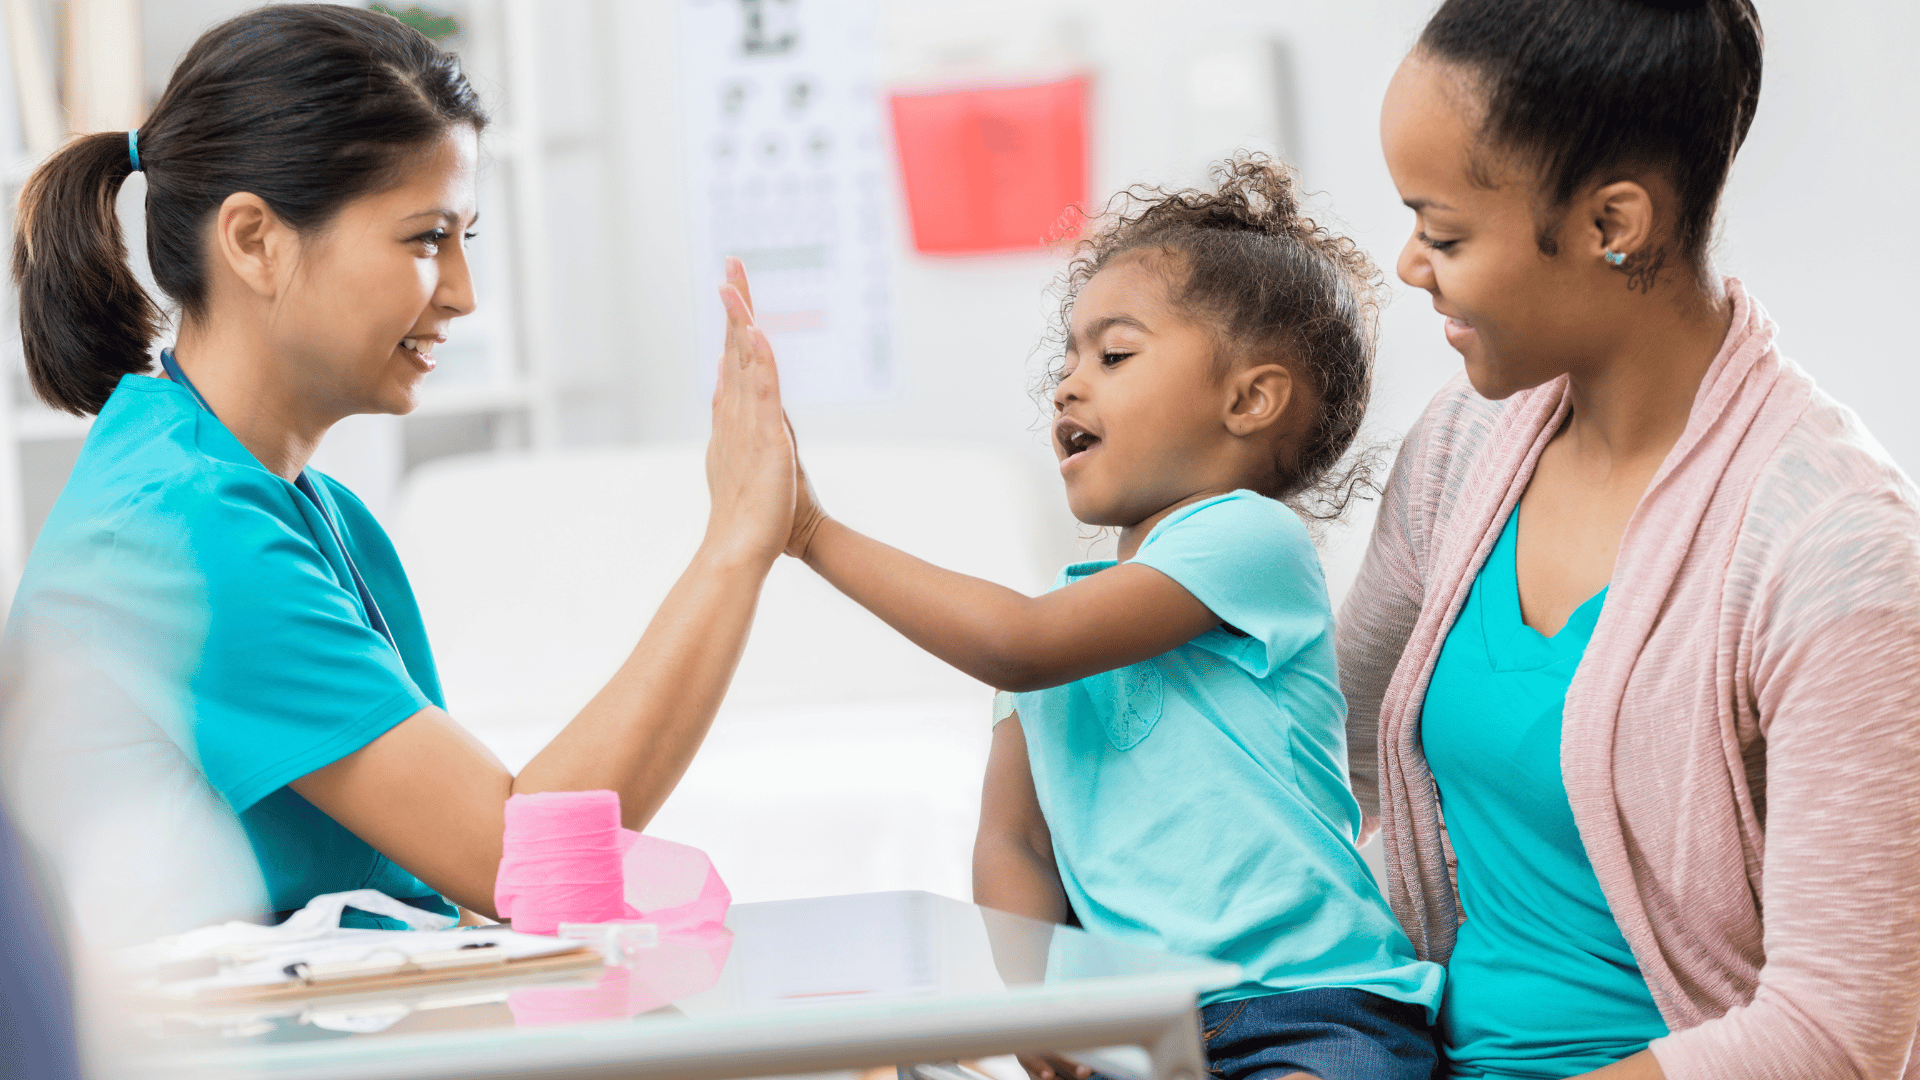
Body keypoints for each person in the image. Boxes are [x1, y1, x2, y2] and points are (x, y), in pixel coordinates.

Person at [2, 5, 796, 937]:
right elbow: (521, 863)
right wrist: (736, 547)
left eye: (468, 240)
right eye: (426, 239)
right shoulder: (178, 529)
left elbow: (458, 874)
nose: (461, 292)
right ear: (254, 241)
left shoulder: (303, 510)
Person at [1344, 0, 1920, 1077]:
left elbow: (1843, 1031)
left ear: (1613, 225)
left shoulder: (1836, 551)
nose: (1410, 265)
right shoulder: (1458, 456)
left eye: (1445, 231)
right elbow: (1332, 755)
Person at [778, 157, 1444, 1080]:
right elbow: (1012, 840)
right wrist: (1038, 999)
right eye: (1069, 358)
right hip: (1139, 1032)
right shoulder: (1060, 617)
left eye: (1114, 356)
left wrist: (809, 532)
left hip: (1305, 1004)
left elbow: (1014, 644)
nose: (1067, 386)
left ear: (1250, 399)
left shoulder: (1249, 541)